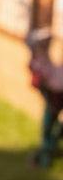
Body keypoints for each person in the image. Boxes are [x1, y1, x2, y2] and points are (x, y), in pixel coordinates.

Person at [26, 29, 63, 169]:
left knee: (51, 128)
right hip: (54, 96)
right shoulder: (38, 63)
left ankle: (48, 150)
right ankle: (45, 156)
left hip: (56, 94)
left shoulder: (44, 61)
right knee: (49, 129)